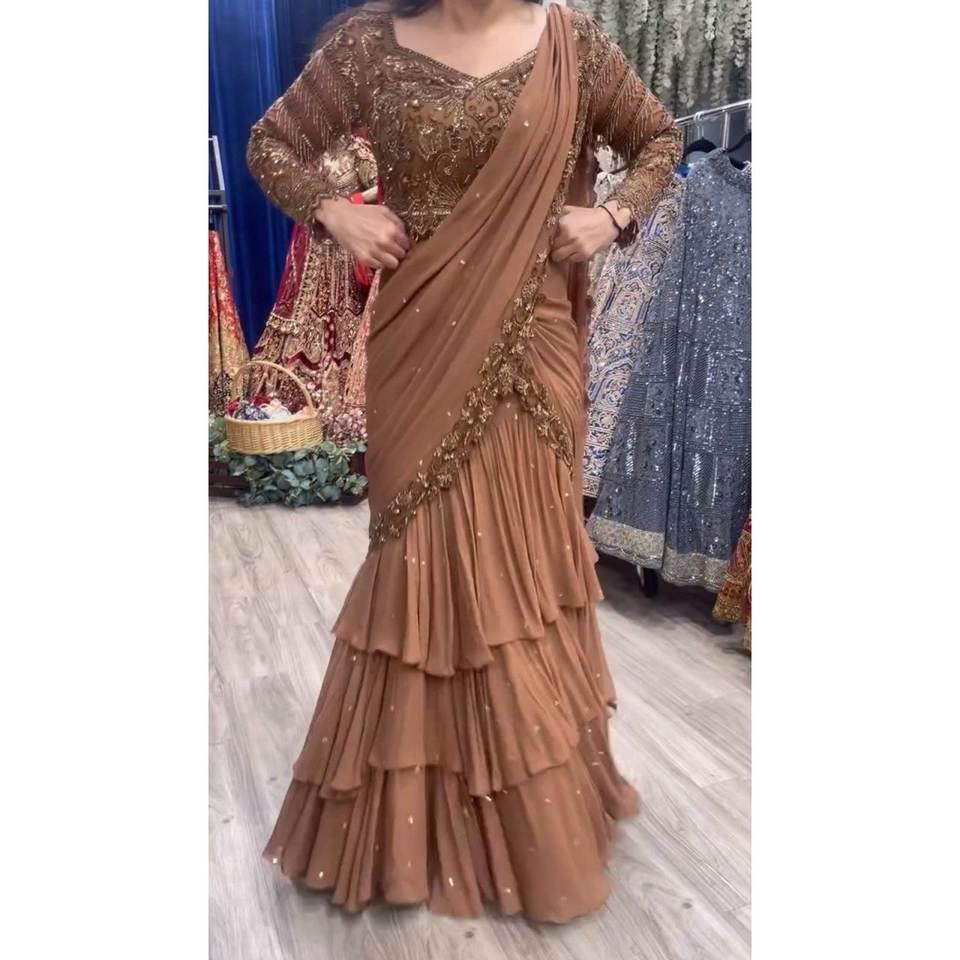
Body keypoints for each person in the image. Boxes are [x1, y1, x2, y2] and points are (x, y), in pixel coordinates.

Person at [247, 0, 681, 923]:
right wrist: (336, 213)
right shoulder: (367, 43)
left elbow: (658, 140)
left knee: (522, 564)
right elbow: (271, 145)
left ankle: (538, 810)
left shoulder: (570, 41)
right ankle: (414, 818)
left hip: (536, 344)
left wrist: (611, 217)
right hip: (420, 342)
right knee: (420, 555)